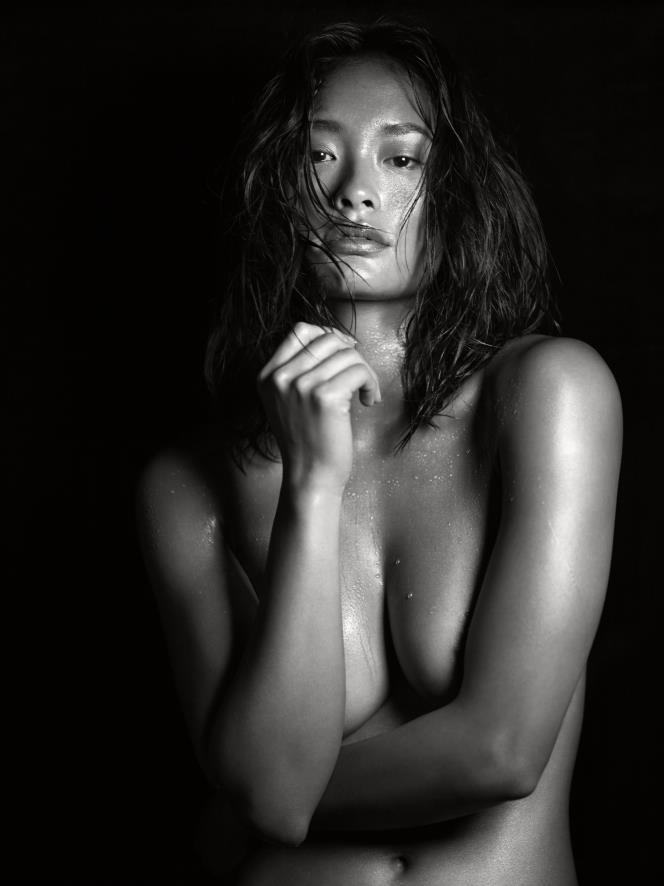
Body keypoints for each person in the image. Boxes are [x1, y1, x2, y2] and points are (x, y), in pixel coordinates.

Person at [137, 19, 622, 885]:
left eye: (401, 158)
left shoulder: (548, 396)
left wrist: (266, 799)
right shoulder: (186, 487)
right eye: (319, 156)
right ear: (274, 189)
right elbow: (252, 781)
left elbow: (501, 752)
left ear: (458, 189)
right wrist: (311, 486)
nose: (354, 192)